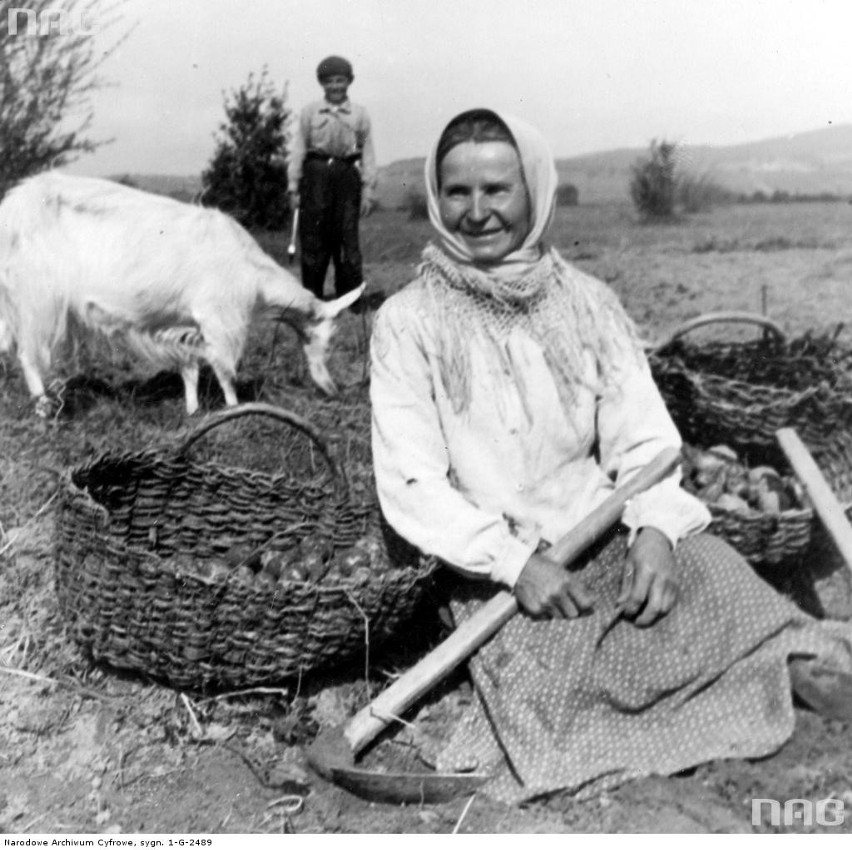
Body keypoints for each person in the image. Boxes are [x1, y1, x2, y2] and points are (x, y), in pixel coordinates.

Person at [369, 107, 852, 804]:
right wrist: (515, 564)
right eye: (457, 192)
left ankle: (786, 667)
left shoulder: (586, 303)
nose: (476, 212)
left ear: (534, 190)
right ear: (436, 198)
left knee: (719, 578)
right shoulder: (409, 323)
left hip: (605, 528)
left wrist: (654, 528)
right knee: (566, 667)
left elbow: (647, 440)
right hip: (496, 563)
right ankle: (701, 710)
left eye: (497, 190)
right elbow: (410, 480)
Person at [287, 55, 376, 301]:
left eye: (340, 80)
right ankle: (311, 299)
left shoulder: (359, 115)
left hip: (346, 178)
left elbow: (366, 152)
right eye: (329, 82)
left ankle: (349, 297)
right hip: (315, 177)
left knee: (347, 239)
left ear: (349, 81)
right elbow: (298, 149)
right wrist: (293, 187)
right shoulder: (310, 113)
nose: (335, 86)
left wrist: (368, 189)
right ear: (321, 84)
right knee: (314, 239)